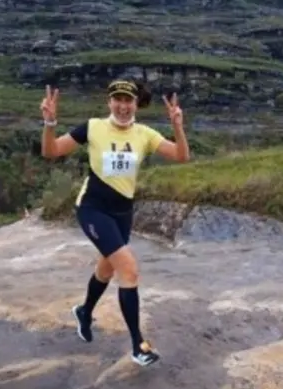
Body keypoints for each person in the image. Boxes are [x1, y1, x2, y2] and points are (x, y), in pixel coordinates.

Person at [40, 79, 190, 366]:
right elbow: (51, 151)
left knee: (106, 269)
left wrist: (177, 125)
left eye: (128, 101)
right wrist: (50, 123)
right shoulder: (93, 127)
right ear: (109, 102)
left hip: (123, 213)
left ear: (135, 104)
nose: (123, 106)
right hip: (93, 209)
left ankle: (85, 312)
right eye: (117, 100)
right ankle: (138, 346)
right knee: (129, 269)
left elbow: (182, 157)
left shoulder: (144, 134)